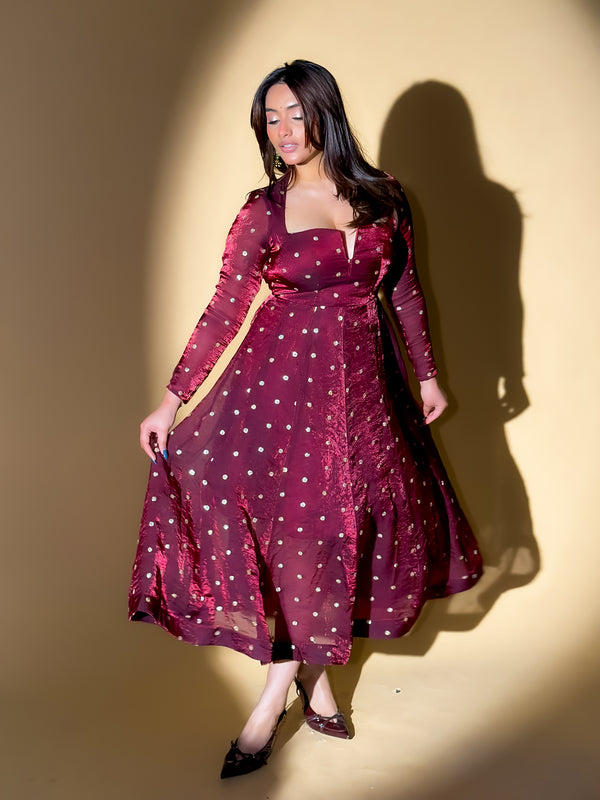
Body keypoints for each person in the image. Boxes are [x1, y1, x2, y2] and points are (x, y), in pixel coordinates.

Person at [130, 59, 482, 779]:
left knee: (347, 527)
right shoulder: (263, 209)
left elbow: (407, 291)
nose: (284, 132)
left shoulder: (386, 197)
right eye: (271, 119)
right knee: (297, 533)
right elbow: (225, 308)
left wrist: (428, 373)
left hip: (366, 392)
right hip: (279, 395)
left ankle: (313, 684)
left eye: (296, 115)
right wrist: (172, 399)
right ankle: (277, 696)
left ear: (327, 114)